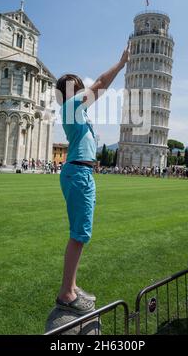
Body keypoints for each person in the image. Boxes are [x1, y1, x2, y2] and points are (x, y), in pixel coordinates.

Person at [55, 43, 130, 314]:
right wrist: (121, 64)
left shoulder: (76, 112)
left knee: (80, 234)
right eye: (80, 86)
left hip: (80, 172)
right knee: (79, 235)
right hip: (78, 173)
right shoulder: (72, 105)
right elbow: (101, 82)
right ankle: (66, 293)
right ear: (72, 91)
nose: (85, 90)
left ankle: (71, 287)